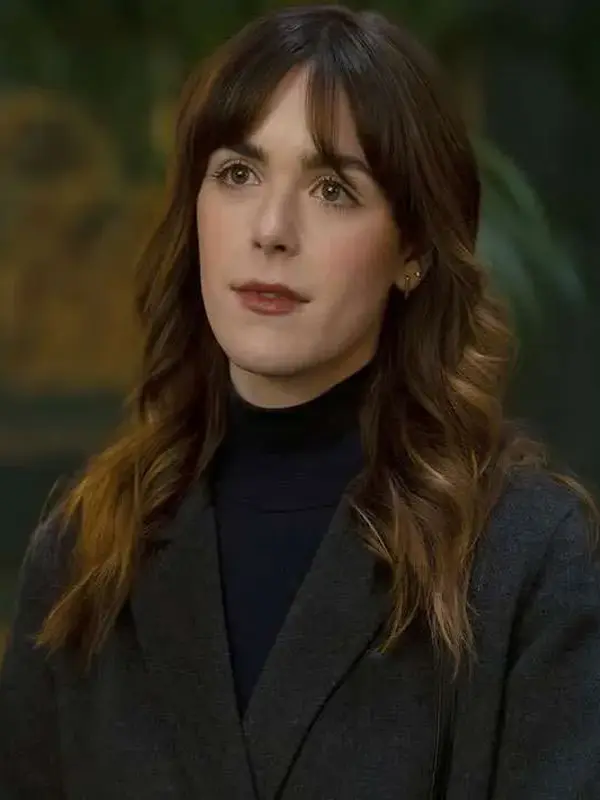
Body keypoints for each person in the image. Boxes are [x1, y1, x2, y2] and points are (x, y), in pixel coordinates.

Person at [1, 4, 600, 799]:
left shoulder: (529, 558)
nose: (272, 229)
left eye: (332, 188)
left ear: (414, 250)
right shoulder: (85, 551)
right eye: (238, 174)